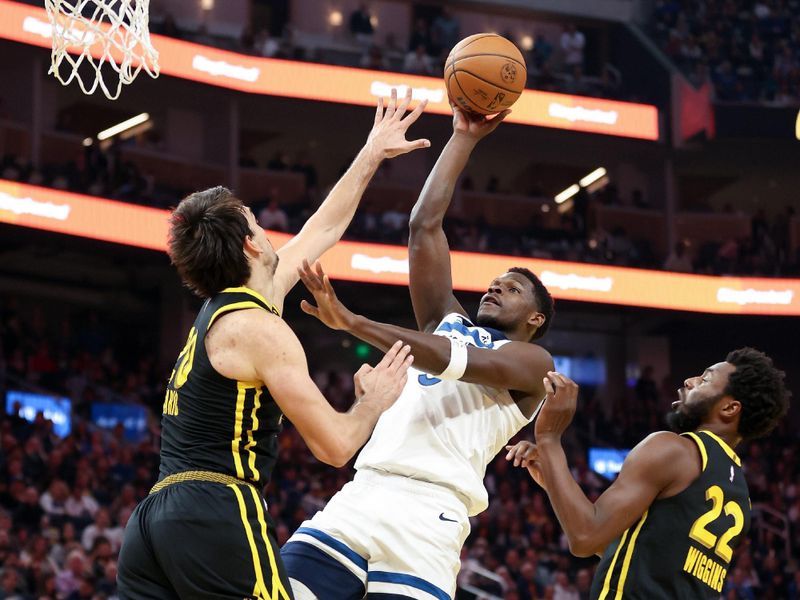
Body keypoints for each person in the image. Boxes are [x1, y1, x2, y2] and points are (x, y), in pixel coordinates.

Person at [116, 89, 430, 600]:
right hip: (216, 506)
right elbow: (334, 445)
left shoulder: (233, 310)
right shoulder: (262, 331)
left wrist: (372, 152)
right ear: (250, 243)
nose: (266, 229)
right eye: (257, 221)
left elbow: (323, 227)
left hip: (153, 520)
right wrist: (372, 404)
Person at [281, 106, 556, 600]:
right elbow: (424, 227)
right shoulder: (445, 321)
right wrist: (463, 138)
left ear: (535, 320)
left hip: (431, 515)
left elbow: (457, 360)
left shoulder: (534, 365)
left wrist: (352, 321)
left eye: (512, 289)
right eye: (496, 281)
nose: (496, 286)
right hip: (363, 492)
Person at [506, 347, 789, 599]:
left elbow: (585, 537)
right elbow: (629, 551)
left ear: (729, 408)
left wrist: (549, 438)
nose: (688, 381)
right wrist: (556, 481)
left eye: (704, 380)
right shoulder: (740, 494)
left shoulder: (673, 449)